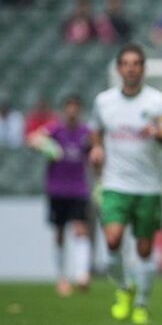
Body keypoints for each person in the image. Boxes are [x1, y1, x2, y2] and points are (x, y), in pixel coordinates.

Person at [89, 43, 162, 325]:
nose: (131, 68)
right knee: (112, 240)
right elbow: (95, 131)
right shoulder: (104, 101)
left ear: (143, 68)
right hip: (115, 185)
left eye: (136, 63)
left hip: (148, 188)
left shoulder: (157, 102)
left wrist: (157, 132)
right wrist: (96, 148)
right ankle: (123, 288)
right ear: (118, 69)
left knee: (144, 250)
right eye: (126, 63)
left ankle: (142, 302)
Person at [29, 95, 92, 296]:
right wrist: (49, 147)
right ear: (65, 110)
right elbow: (32, 139)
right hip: (57, 189)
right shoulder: (55, 129)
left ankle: (82, 275)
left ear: (79, 110)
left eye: (75, 107)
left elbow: (96, 151)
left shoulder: (85, 132)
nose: (72, 111)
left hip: (79, 188)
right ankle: (61, 277)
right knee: (59, 233)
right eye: (69, 107)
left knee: (81, 229)